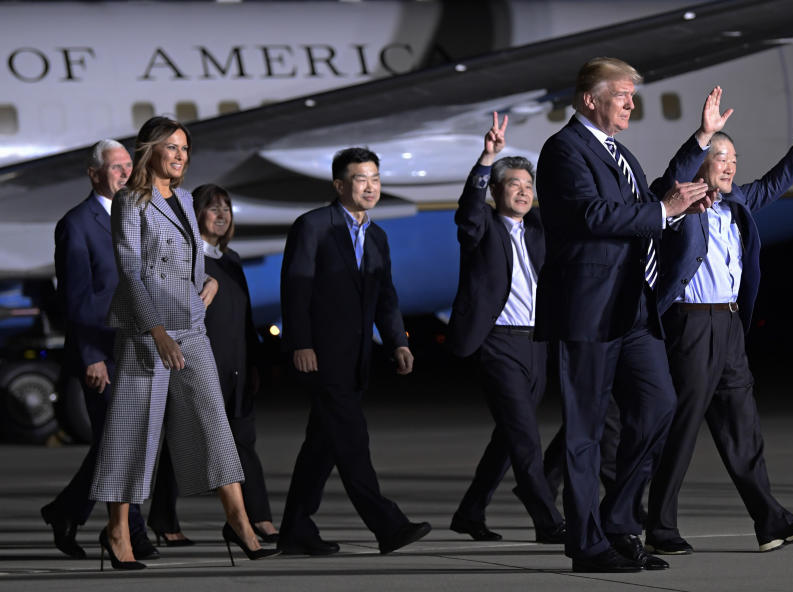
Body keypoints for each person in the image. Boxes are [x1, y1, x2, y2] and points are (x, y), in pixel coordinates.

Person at [535, 56, 730, 573]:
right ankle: (587, 543)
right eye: (621, 94)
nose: (630, 104)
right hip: (589, 311)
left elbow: (653, 197)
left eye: (631, 95)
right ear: (588, 100)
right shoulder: (563, 151)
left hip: (634, 310)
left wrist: (701, 141)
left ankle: (618, 520)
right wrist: (664, 211)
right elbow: (589, 215)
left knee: (660, 406)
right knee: (585, 434)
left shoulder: (619, 153)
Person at [89, 116, 279, 570]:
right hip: (146, 330)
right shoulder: (130, 202)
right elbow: (132, 271)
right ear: (150, 149)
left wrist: (208, 284)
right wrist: (155, 331)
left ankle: (240, 522)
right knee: (135, 432)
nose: (180, 156)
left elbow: (187, 261)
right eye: (172, 147)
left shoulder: (188, 200)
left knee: (215, 421)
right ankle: (118, 533)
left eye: (185, 149)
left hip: (192, 325)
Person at [645, 100, 793, 555]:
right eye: (720, 158)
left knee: (743, 431)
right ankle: (660, 527)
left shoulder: (737, 203)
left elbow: (771, 184)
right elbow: (670, 180)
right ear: (702, 163)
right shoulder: (676, 201)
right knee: (683, 429)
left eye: (733, 160)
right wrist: (702, 135)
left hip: (728, 326)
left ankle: (770, 522)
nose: (729, 166)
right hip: (690, 325)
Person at [278, 147, 430, 556]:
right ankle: (389, 525)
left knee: (322, 446)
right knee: (352, 440)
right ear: (339, 185)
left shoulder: (377, 236)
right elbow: (296, 290)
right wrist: (301, 343)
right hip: (322, 356)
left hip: (357, 357)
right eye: (361, 179)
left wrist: (398, 340)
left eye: (376, 178)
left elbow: (385, 296)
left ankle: (295, 529)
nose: (371, 186)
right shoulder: (312, 226)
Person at [447, 113, 565, 544]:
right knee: (525, 437)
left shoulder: (538, 230)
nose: (523, 191)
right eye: (513, 184)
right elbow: (468, 209)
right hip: (496, 344)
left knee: (509, 436)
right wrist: (486, 159)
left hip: (536, 344)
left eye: (527, 185)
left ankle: (470, 511)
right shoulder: (480, 230)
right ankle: (548, 521)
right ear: (496, 191)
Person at [41, 140, 158, 562]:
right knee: (119, 442)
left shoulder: (141, 216)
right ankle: (129, 535)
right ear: (94, 174)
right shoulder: (77, 224)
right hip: (102, 353)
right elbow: (75, 299)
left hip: (138, 348)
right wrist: (90, 354)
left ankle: (69, 511)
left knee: (126, 444)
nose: (126, 174)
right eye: (116, 168)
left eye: (129, 166)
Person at [146, 184, 280, 545]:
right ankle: (163, 519)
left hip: (235, 367)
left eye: (227, 209)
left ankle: (260, 517)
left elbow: (245, 317)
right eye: (213, 208)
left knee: (244, 441)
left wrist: (254, 363)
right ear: (196, 215)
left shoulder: (231, 260)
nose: (222, 215)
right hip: (201, 364)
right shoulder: (189, 259)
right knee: (184, 442)